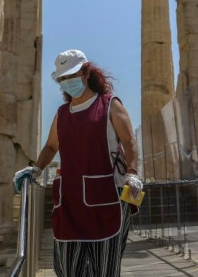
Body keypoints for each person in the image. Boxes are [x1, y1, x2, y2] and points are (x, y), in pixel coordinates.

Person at [13, 49, 142, 277]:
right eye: (62, 78)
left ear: (86, 73)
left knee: (104, 269)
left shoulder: (110, 105)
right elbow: (51, 147)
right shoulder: (62, 114)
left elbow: (129, 141)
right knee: (66, 267)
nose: (67, 81)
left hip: (106, 199)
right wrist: (36, 168)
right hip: (69, 204)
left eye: (71, 75)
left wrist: (132, 172)